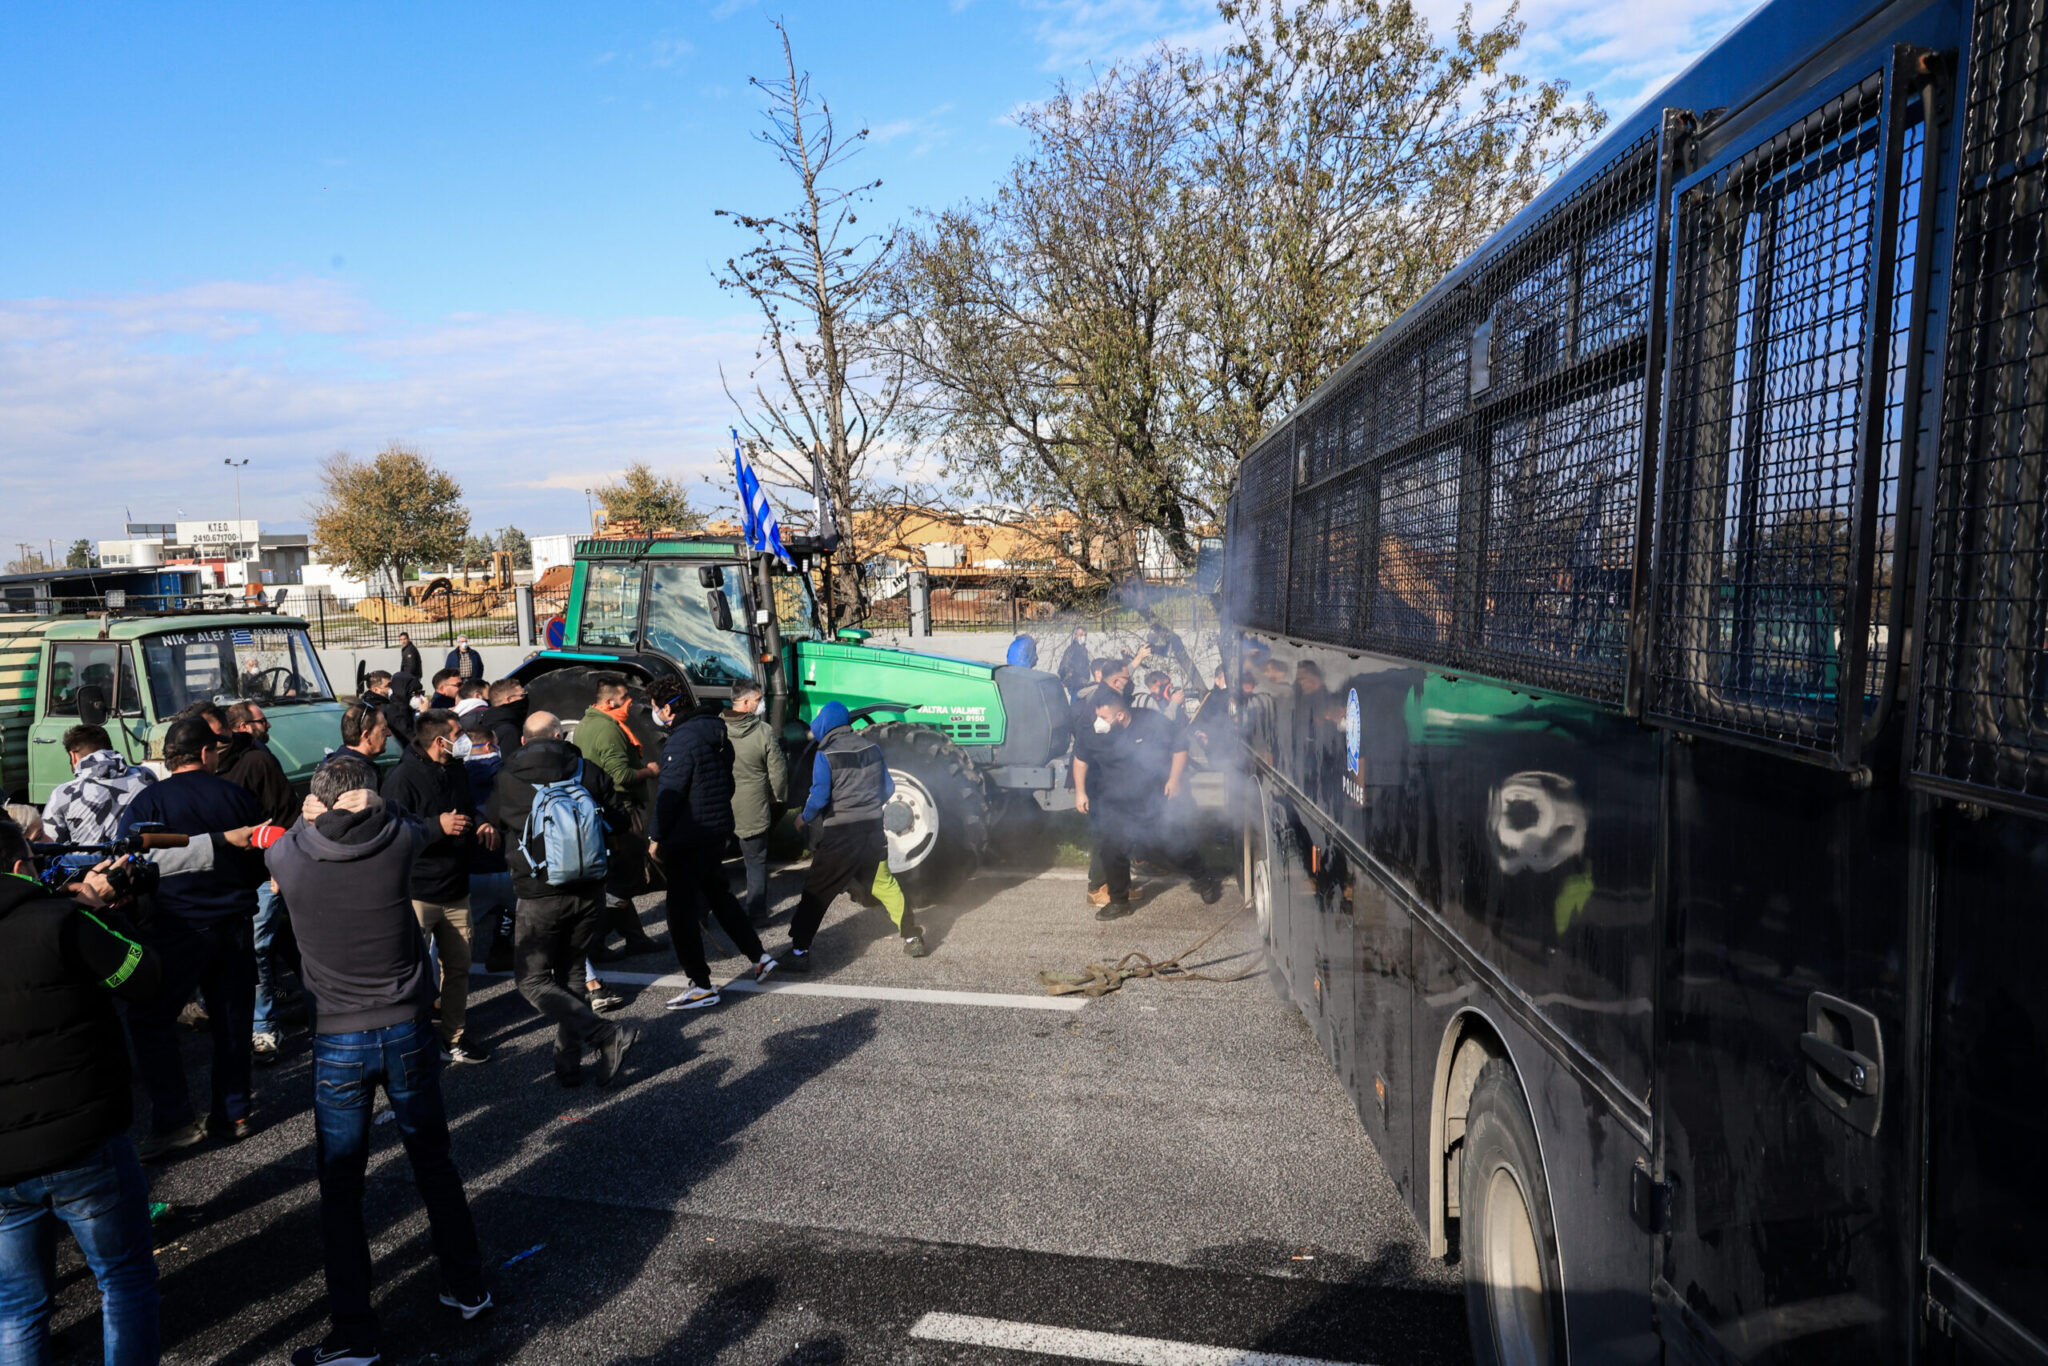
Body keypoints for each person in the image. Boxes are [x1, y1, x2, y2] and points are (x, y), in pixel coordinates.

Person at [267, 757, 493, 1366]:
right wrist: (380, 806)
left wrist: (310, 819)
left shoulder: (290, 856)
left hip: (337, 1038)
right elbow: (418, 824)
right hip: (405, 1027)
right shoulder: (397, 842)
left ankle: (354, 1333)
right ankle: (466, 1283)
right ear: (366, 799)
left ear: (319, 804)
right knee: (434, 1162)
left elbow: (282, 840)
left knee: (341, 1186)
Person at [0, 818, 164, 1366]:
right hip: (84, 1140)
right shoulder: (61, 922)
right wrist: (94, 907)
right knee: (123, 1281)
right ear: (22, 866)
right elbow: (142, 979)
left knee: (18, 1307)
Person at [116, 718, 264, 1159]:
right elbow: (259, 859)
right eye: (216, 750)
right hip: (233, 924)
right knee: (232, 1022)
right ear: (204, 754)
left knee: (150, 1021)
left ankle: (176, 1118)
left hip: (173, 929)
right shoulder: (236, 796)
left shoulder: (149, 800)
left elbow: (130, 862)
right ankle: (233, 1114)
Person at [485, 712, 636, 1090]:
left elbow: (494, 820)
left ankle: (604, 1035)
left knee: (531, 980)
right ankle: (567, 1067)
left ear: (524, 740)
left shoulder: (508, 776)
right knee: (571, 976)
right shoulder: (586, 769)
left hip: (539, 893)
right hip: (589, 889)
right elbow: (618, 821)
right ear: (559, 735)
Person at [648, 683, 778, 1010]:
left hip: (687, 836)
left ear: (666, 709)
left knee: (680, 913)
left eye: (655, 707)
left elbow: (670, 796)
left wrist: (655, 837)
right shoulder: (717, 731)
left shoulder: (680, 741)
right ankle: (760, 957)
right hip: (716, 830)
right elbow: (728, 782)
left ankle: (701, 985)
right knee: (721, 898)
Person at [380, 712, 490, 1065]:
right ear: (437, 741)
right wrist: (437, 826)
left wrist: (484, 823)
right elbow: (390, 833)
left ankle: (454, 1037)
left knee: (458, 967)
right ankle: (407, 1041)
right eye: (457, 734)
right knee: (408, 973)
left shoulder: (455, 768)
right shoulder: (402, 778)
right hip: (417, 891)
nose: (465, 740)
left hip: (456, 887)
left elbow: (469, 808)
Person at [782, 702, 923, 969]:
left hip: (840, 837)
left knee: (817, 892)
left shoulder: (826, 754)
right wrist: (869, 806)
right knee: (886, 885)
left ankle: (799, 953)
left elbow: (820, 795)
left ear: (826, 724)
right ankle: (912, 937)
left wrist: (805, 817)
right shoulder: (872, 748)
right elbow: (888, 788)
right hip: (872, 832)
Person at [1074, 692, 1221, 916]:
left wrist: (1173, 779)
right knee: (1111, 850)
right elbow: (1080, 759)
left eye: (1103, 717)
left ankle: (1204, 880)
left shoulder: (1151, 722)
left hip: (1152, 798)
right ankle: (1119, 902)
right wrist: (1081, 792)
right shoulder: (1093, 732)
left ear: (1120, 715)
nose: (1098, 723)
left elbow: (1180, 747)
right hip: (1114, 802)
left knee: (1172, 847)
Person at [220, 701, 300, 1067]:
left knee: (257, 948)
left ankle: (265, 1026)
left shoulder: (257, 761)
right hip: (232, 875)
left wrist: (278, 867)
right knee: (281, 942)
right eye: (261, 719)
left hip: (264, 873)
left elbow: (285, 813)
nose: (268, 724)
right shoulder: (211, 768)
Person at [572, 674, 660, 959]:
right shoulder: (608, 730)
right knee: (625, 881)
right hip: (623, 811)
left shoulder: (588, 723)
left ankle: (635, 937)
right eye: (625, 699)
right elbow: (620, 775)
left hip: (605, 811)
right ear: (609, 702)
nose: (630, 704)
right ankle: (594, 943)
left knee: (617, 879)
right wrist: (649, 771)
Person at [722, 679, 786, 925]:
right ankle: (756, 914)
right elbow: (778, 772)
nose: (761, 705)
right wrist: (778, 797)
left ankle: (701, 913)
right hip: (754, 808)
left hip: (721, 807)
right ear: (746, 702)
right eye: (758, 700)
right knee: (755, 863)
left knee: (711, 864)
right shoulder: (764, 731)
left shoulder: (717, 727)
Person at [461, 716, 517, 976]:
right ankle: (501, 947)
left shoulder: (455, 777)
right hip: (506, 860)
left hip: (470, 865)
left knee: (460, 929)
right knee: (513, 910)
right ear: (488, 746)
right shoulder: (509, 774)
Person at [41, 725, 155, 846]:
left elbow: (50, 846)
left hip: (87, 864)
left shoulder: (62, 794)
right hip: (137, 862)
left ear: (73, 756)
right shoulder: (146, 776)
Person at [359, 670, 415, 748]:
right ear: (375, 690)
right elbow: (408, 736)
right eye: (388, 685)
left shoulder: (363, 703)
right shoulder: (389, 709)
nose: (392, 689)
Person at [330, 700, 393, 767]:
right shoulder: (357, 773)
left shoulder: (331, 765)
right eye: (383, 729)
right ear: (367, 736)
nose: (389, 733)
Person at [475, 678, 527, 756]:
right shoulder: (510, 730)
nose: (525, 698)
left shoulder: (486, 722)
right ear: (509, 699)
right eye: (522, 695)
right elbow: (513, 763)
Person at [1057, 626, 1091, 695]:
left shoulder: (1084, 650)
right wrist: (1065, 681)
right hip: (1074, 684)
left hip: (1082, 684)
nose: (1083, 637)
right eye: (1081, 635)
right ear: (1076, 635)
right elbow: (1064, 666)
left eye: (1085, 635)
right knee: (1075, 703)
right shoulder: (1071, 649)